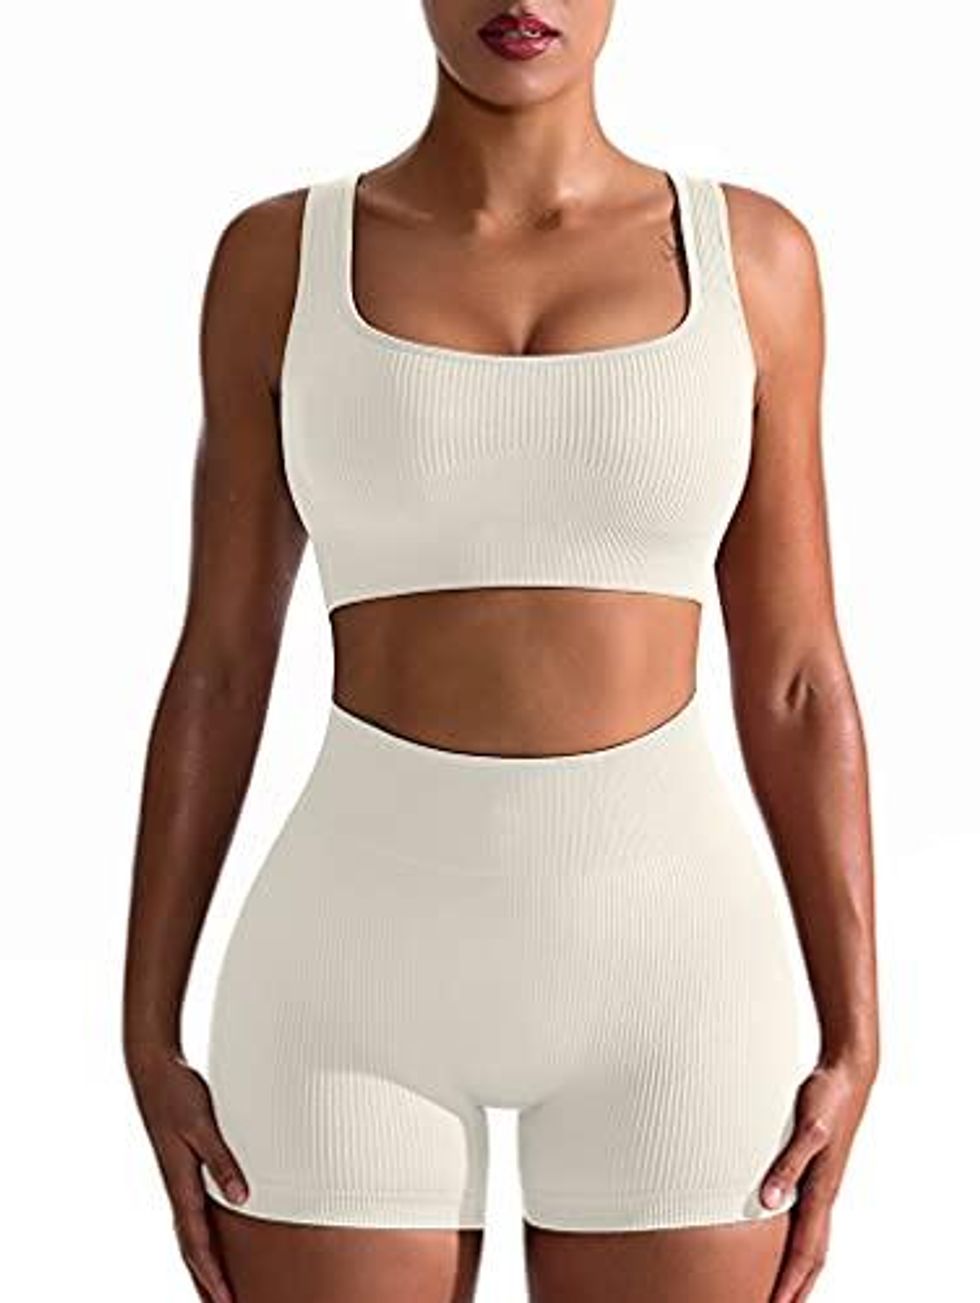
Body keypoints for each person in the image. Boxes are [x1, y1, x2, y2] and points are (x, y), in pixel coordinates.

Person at [122, 3, 879, 1301]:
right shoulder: (278, 260)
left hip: (675, 970)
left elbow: (800, 678)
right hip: (347, 971)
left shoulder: (754, 258)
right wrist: (146, 1026)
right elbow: (219, 667)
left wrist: (859, 1035)